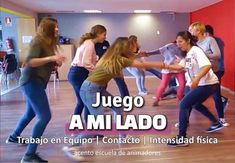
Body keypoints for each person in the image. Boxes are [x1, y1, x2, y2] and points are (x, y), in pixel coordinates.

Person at [6, 17, 66, 162]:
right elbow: (30, 61)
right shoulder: (38, 41)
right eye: (55, 27)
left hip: (37, 82)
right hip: (31, 81)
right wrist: (51, 58)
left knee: (30, 113)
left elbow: (45, 62)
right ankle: (29, 156)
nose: (57, 29)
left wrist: (55, 63)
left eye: (57, 26)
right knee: (45, 116)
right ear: (47, 28)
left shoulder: (49, 43)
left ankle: (13, 137)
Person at [165, 31, 223, 147]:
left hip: (207, 84)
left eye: (180, 41)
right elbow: (179, 67)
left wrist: (196, 79)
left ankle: (181, 138)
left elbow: (207, 65)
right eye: (177, 42)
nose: (178, 44)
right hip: (207, 84)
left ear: (188, 41)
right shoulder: (188, 55)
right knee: (195, 104)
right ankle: (216, 123)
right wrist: (163, 65)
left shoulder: (196, 51)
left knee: (184, 104)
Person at [190, 22, 228, 126]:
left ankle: (221, 119)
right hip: (201, 74)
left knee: (216, 96)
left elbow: (217, 55)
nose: (190, 32)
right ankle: (184, 121)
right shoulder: (194, 44)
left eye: (191, 30)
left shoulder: (209, 40)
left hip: (214, 72)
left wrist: (201, 53)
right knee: (191, 98)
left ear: (198, 31)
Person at [67, 25, 106, 123]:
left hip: (77, 73)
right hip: (78, 73)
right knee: (87, 101)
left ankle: (78, 128)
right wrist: (97, 72)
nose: (105, 37)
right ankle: (90, 129)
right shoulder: (89, 43)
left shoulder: (88, 42)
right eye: (104, 34)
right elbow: (85, 62)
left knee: (82, 102)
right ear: (98, 34)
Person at [205, 25, 229, 111]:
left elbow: (216, 56)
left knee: (215, 91)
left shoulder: (213, 41)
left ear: (207, 33)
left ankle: (220, 116)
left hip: (217, 69)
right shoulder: (217, 40)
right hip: (217, 68)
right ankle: (222, 102)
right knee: (212, 89)